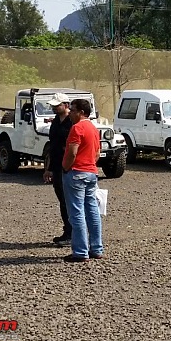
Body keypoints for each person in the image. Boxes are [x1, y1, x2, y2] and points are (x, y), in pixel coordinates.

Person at [61, 98, 103, 263]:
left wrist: (65, 167)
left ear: (81, 112)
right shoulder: (93, 128)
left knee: (76, 212)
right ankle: (96, 248)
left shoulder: (77, 128)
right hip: (91, 172)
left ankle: (80, 251)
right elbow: (97, 152)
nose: (70, 112)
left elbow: (72, 152)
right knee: (92, 211)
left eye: (72, 110)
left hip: (76, 172)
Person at [43, 93, 73, 247]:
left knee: (70, 201)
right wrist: (48, 168)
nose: (54, 107)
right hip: (56, 166)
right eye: (53, 105)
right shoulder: (55, 121)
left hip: (69, 167)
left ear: (66, 105)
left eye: (57, 105)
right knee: (62, 200)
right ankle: (67, 231)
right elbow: (52, 146)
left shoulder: (72, 122)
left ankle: (74, 233)